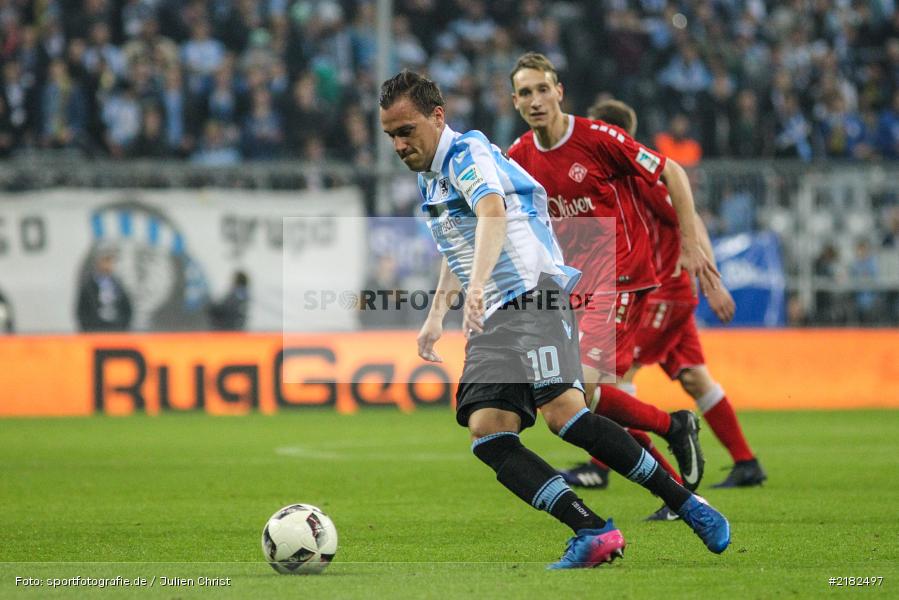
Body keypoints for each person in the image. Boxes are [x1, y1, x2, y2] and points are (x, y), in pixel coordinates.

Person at [379, 69, 729, 568]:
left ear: (437, 117)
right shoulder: (429, 178)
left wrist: (475, 287)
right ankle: (591, 529)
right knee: (488, 432)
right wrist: (437, 315)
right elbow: (457, 245)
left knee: (567, 416)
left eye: (406, 131)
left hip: (533, 294)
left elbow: (493, 213)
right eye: (390, 134)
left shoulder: (467, 154)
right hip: (495, 312)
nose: (397, 144)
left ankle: (686, 503)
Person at [508, 53, 719, 494]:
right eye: (525, 93)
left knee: (582, 391)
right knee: (581, 401)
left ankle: (673, 441)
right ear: (515, 102)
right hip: (574, 286)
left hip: (622, 276)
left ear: (559, 92)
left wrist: (689, 242)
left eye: (543, 89)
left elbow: (673, 172)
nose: (536, 100)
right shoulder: (519, 157)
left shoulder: (599, 137)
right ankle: (676, 447)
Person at [586, 99, 767, 502]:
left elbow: (694, 220)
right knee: (694, 377)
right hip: (668, 296)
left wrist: (711, 278)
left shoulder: (641, 176)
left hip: (664, 295)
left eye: (593, 131)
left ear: (610, 133)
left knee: (615, 375)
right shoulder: (614, 178)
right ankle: (746, 461)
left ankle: (601, 467)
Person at [76, 248, 133, 332]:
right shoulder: (89, 286)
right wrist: (88, 328)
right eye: (105, 261)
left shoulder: (118, 285)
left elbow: (127, 308)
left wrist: (122, 326)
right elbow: (82, 310)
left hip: (116, 330)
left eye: (110, 262)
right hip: (95, 330)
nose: (108, 265)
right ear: (98, 263)